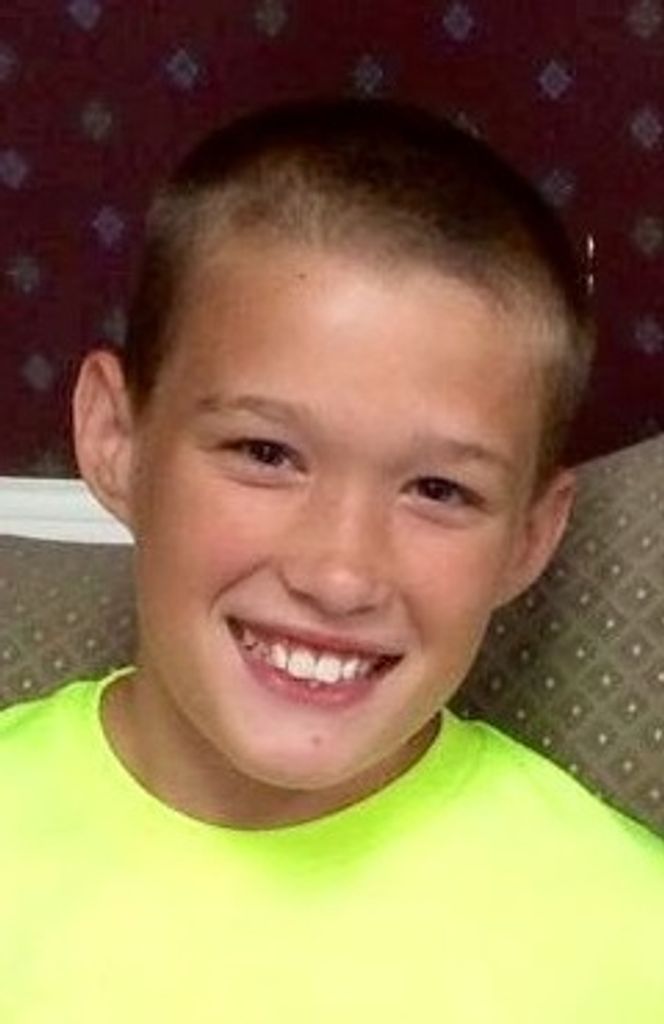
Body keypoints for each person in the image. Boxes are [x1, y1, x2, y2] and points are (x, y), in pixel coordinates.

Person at [1, 98, 662, 1023]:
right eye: (266, 453)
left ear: (528, 537)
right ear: (118, 440)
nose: (340, 574)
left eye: (439, 490)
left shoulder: (627, 934)